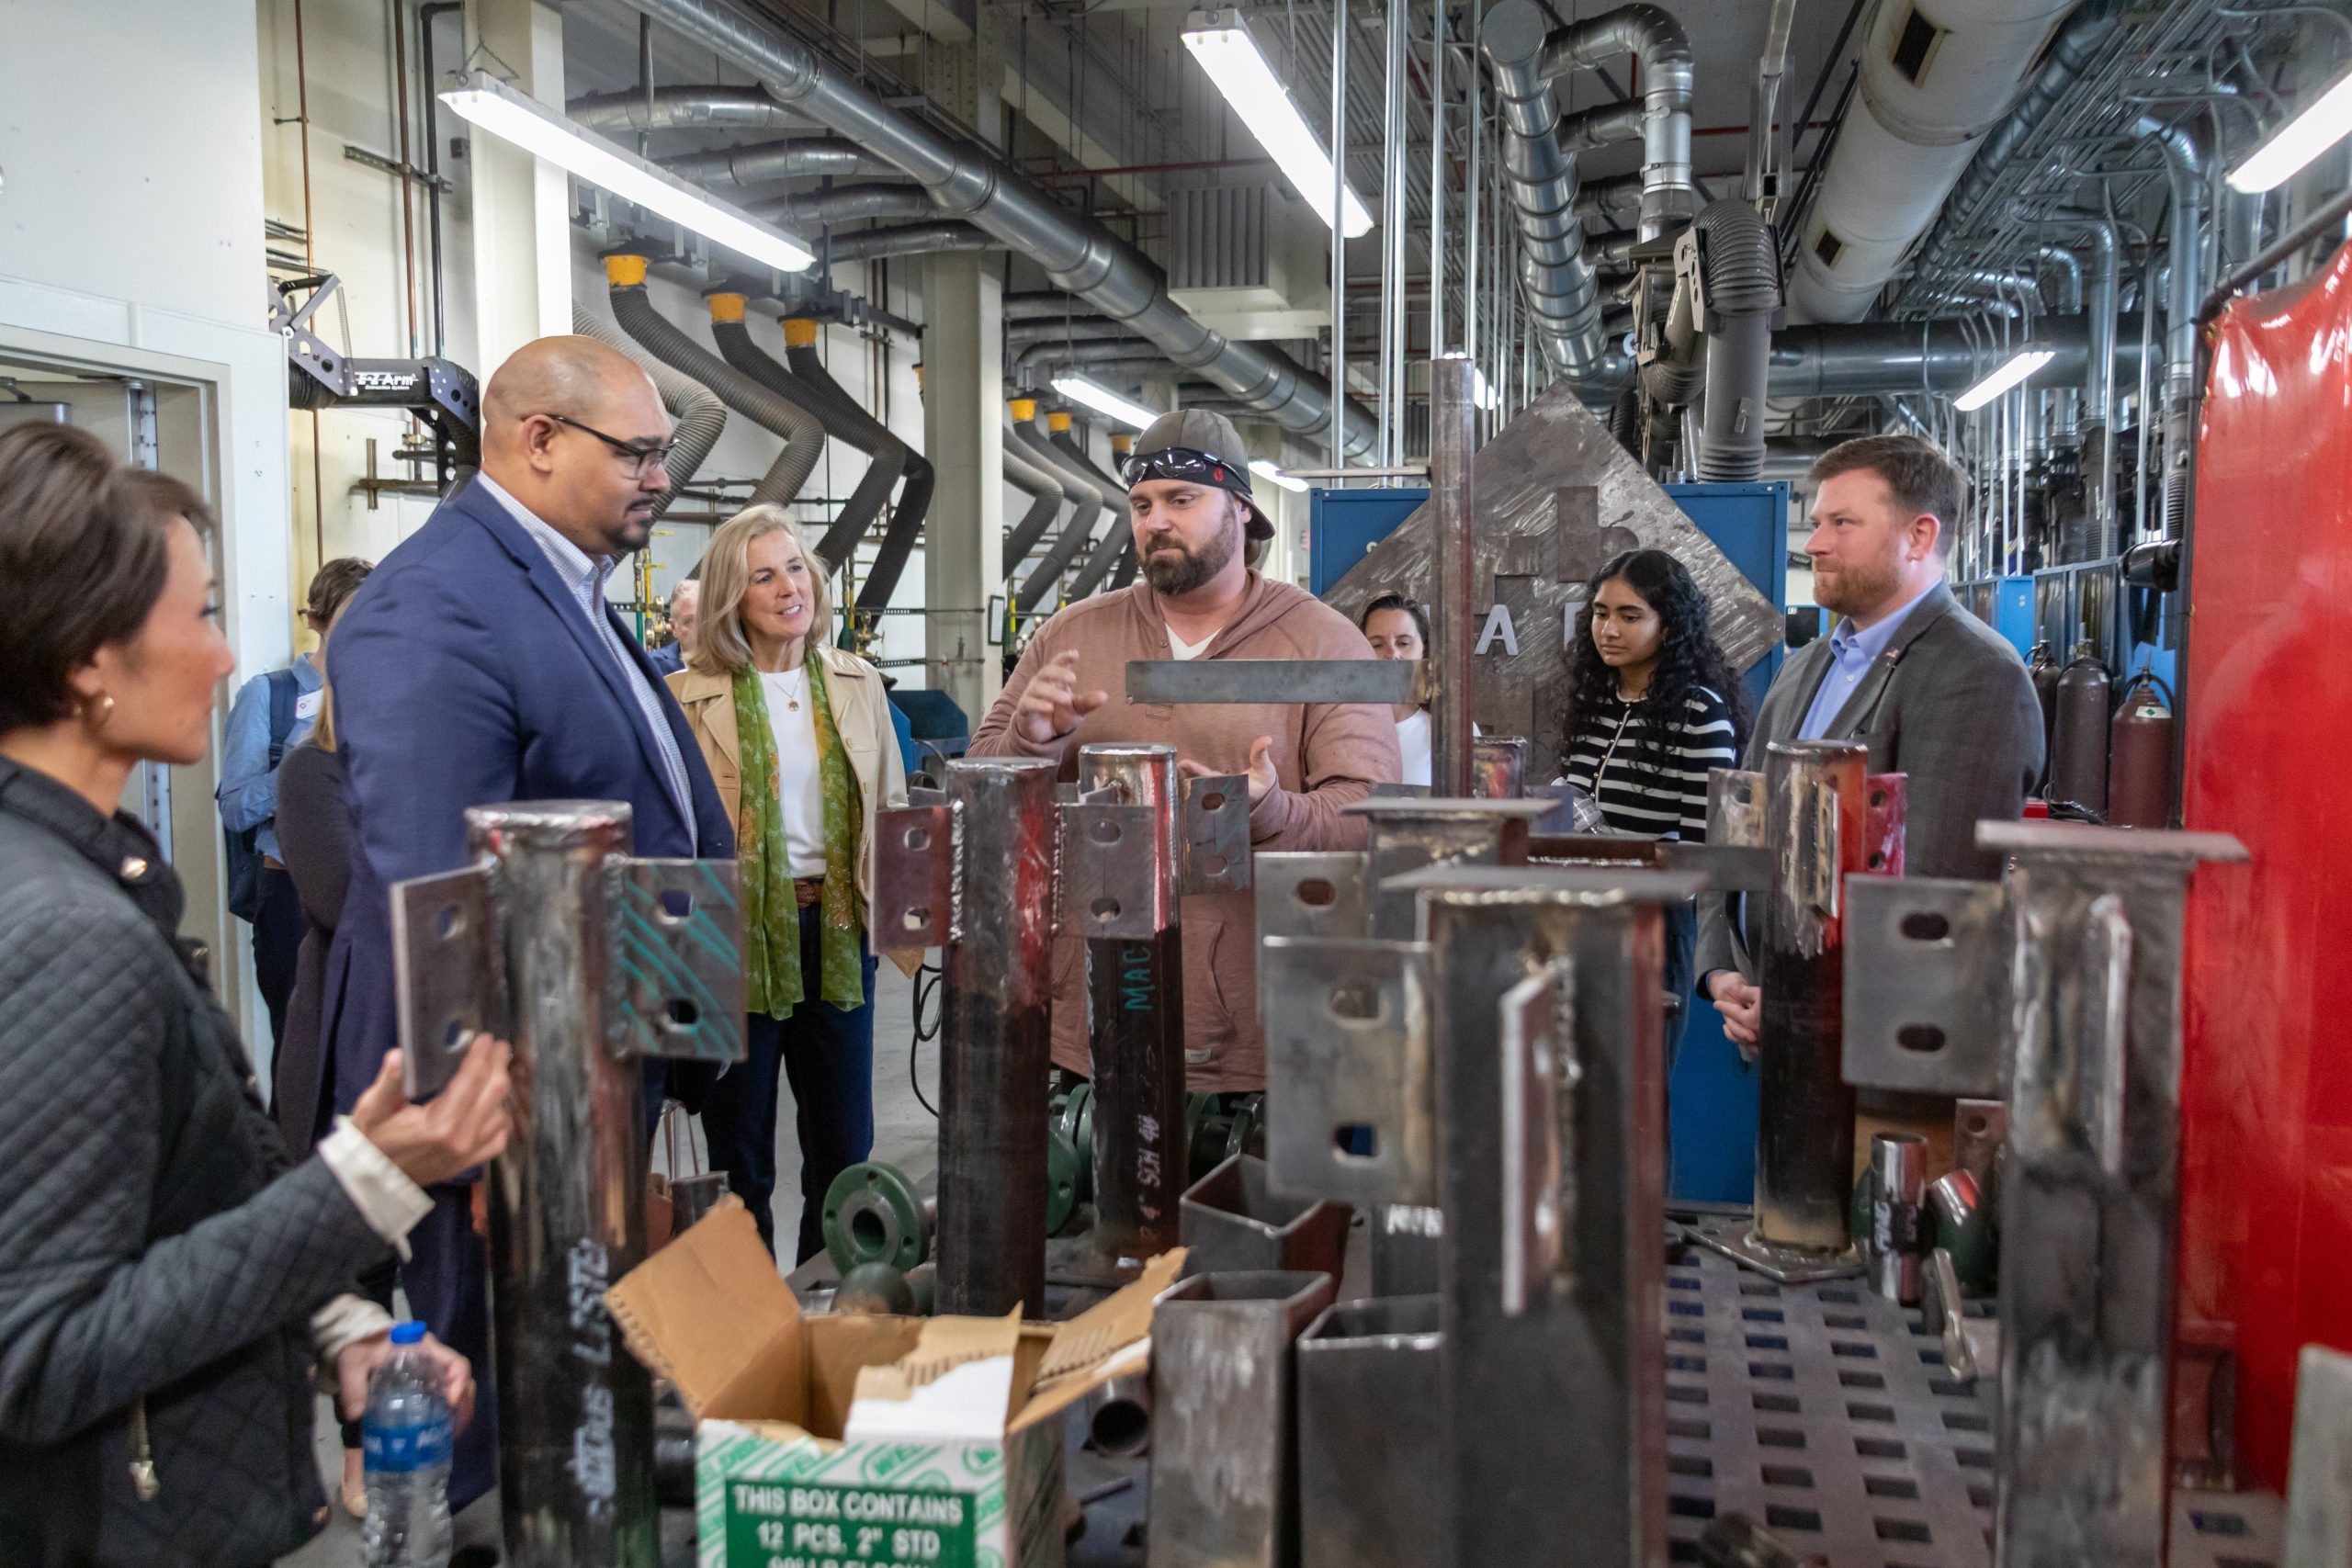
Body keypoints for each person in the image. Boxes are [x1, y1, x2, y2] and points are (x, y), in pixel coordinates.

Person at [0, 422, 509, 1566]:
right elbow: (39, 1352)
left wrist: (328, 1322)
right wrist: (372, 1184)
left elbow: (149, 1214)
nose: (227, 659)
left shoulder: (86, 869)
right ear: (89, 658)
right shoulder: (58, 927)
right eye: (201, 616)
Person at [325, 334, 733, 1507]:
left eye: (664, 454)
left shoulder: (564, 588)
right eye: (640, 453)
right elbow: (437, 898)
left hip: (589, 1071)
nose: (661, 477)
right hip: (503, 1108)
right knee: (509, 1411)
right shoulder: (435, 608)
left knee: (579, 1400)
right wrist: (482, 1124)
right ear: (537, 440)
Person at [969, 409, 1401, 1092]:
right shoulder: (1072, 635)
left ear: (1239, 507)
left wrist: (1271, 814)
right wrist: (1029, 742)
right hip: (1090, 1025)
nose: (1155, 521)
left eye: (1181, 499)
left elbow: (1373, 813)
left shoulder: (1325, 641)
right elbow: (982, 779)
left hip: (1258, 1036)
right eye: (1141, 504)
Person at [1698, 434, 2042, 1052]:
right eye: (1818, 521)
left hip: (1878, 1058)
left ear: (1919, 536)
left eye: (1842, 522)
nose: (1815, 543)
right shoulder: (1804, 668)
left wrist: (1805, 1009)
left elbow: (1935, 901)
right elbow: (1738, 828)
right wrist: (1723, 968)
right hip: (1776, 1030)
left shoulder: (1976, 673)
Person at [666, 507, 916, 1262]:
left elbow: (893, 805)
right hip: (733, 941)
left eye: (795, 568)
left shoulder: (856, 683)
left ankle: (832, 1292)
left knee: (844, 1141)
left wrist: (907, 923)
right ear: (729, 598)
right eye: (762, 576)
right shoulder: (687, 697)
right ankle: (750, 1320)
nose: (787, 588)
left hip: (839, 932)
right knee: (739, 1148)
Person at [272, 599, 392, 1519]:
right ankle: (359, 1461)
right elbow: (342, 895)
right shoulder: (311, 770)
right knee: (359, 1256)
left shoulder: (420, 758)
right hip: (352, 1036)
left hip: (434, 1030)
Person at [1554, 547, 1748, 1010]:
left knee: (1641, 1072)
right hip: (1575, 915)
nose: (1610, 629)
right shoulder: (1595, 701)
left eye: (1629, 615)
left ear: (1669, 626)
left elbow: (1705, 849)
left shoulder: (1699, 712)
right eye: (1601, 613)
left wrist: (1628, 862)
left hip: (1655, 922)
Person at [216, 555, 371, 1050]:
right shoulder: (269, 695)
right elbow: (236, 807)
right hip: (288, 894)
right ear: (318, 619)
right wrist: (306, 763)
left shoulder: (380, 694)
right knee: (299, 1044)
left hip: (364, 890)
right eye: (353, 611)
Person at [1359, 593, 1435, 786]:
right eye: (1377, 645)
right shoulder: (1336, 731)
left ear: (1424, 650)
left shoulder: (1451, 733)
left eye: (1404, 643)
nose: (1392, 655)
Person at [649, 575, 699, 675]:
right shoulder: (654, 668)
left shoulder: (728, 664)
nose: (701, 628)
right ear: (673, 628)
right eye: (690, 621)